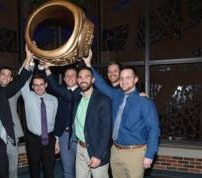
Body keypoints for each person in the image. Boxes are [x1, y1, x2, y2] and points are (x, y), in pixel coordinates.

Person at [83, 50, 160, 178]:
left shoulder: (144, 102)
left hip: (135, 153)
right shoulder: (116, 95)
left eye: (128, 78)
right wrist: (88, 64)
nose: (124, 81)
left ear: (135, 79)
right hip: (116, 151)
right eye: (122, 78)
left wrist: (149, 155)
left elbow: (154, 130)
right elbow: (100, 83)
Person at [21, 58, 58, 178]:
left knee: (49, 170)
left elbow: (55, 121)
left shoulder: (54, 100)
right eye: (35, 85)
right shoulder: (28, 96)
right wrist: (29, 59)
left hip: (50, 139)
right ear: (32, 86)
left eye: (41, 84)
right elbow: (22, 77)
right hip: (33, 140)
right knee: (34, 170)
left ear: (46, 85)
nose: (38, 87)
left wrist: (57, 140)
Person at [73, 66, 112, 178]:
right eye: (80, 77)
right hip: (80, 148)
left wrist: (99, 155)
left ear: (93, 80)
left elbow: (106, 131)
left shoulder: (102, 100)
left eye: (87, 76)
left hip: (96, 149)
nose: (83, 79)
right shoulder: (77, 97)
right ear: (77, 80)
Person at [0, 66, 25, 178]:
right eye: (3, 74)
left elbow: (24, 78)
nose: (5, 76)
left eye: (8, 75)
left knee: (13, 167)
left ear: (11, 79)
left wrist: (30, 61)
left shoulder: (14, 90)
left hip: (12, 134)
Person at [44, 65, 79, 178]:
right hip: (64, 136)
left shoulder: (82, 92)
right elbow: (58, 118)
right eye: (67, 76)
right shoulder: (59, 93)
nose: (69, 77)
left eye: (72, 75)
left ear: (78, 78)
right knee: (67, 170)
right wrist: (57, 139)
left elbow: (61, 91)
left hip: (80, 138)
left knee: (82, 171)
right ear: (63, 79)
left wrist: (48, 71)